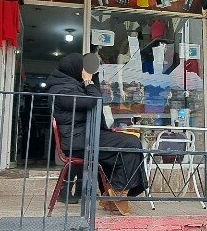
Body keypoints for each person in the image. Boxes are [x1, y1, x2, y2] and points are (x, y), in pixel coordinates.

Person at [46, 53, 147, 214]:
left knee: (130, 142)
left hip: (87, 137)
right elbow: (94, 100)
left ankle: (115, 191)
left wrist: (92, 82)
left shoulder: (70, 85)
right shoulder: (61, 90)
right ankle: (118, 191)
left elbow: (95, 99)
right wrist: (88, 81)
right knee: (131, 144)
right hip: (79, 141)